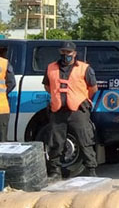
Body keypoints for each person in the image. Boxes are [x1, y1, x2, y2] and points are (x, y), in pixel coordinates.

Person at [42, 42, 98, 179]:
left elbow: (93, 88)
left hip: (78, 110)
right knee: (56, 142)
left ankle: (91, 170)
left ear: (74, 53)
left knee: (85, 140)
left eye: (68, 52)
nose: (65, 55)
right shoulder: (51, 67)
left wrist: (82, 99)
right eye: (63, 52)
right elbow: (47, 86)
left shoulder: (84, 68)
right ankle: (55, 171)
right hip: (58, 110)